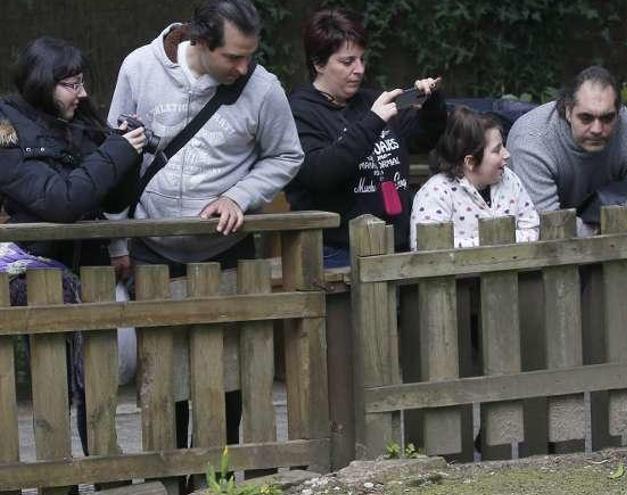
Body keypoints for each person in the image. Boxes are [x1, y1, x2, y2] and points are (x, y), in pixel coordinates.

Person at [107, 0, 303, 448]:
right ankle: (175, 471)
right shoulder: (140, 68)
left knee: (228, 367)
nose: (243, 67)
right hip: (151, 244)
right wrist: (117, 238)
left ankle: (219, 469)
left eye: (249, 55)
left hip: (224, 246)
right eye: (232, 57)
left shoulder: (263, 88)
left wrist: (240, 195)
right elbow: (114, 155)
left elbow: (287, 154)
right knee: (163, 366)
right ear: (199, 41)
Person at [0, 37, 145, 454]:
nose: (82, 94)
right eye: (72, 84)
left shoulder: (78, 118)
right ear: (43, 83)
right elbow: (59, 200)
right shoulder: (6, 130)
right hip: (40, 273)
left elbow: (114, 199)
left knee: (98, 379)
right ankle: (57, 476)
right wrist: (117, 151)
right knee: (54, 382)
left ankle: (105, 472)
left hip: (92, 266)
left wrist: (127, 153)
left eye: (82, 83)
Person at [286, 7, 447, 267]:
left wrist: (432, 103)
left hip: (397, 244)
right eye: (348, 62)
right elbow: (320, 173)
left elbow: (424, 138)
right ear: (318, 63)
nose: (359, 69)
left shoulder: (370, 100)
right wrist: (372, 122)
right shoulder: (298, 111)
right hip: (337, 253)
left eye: (362, 59)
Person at [507, 66, 627, 237]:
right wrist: (604, 232)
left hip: (620, 245)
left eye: (607, 118)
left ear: (619, 113)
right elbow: (547, 223)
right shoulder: (532, 138)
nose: (597, 129)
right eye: (586, 118)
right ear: (567, 111)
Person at [411, 106, 539, 249]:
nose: (507, 154)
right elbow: (426, 248)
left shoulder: (510, 179)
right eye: (497, 150)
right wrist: (492, 244)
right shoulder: (435, 193)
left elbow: (533, 230)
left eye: (503, 145)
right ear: (470, 162)